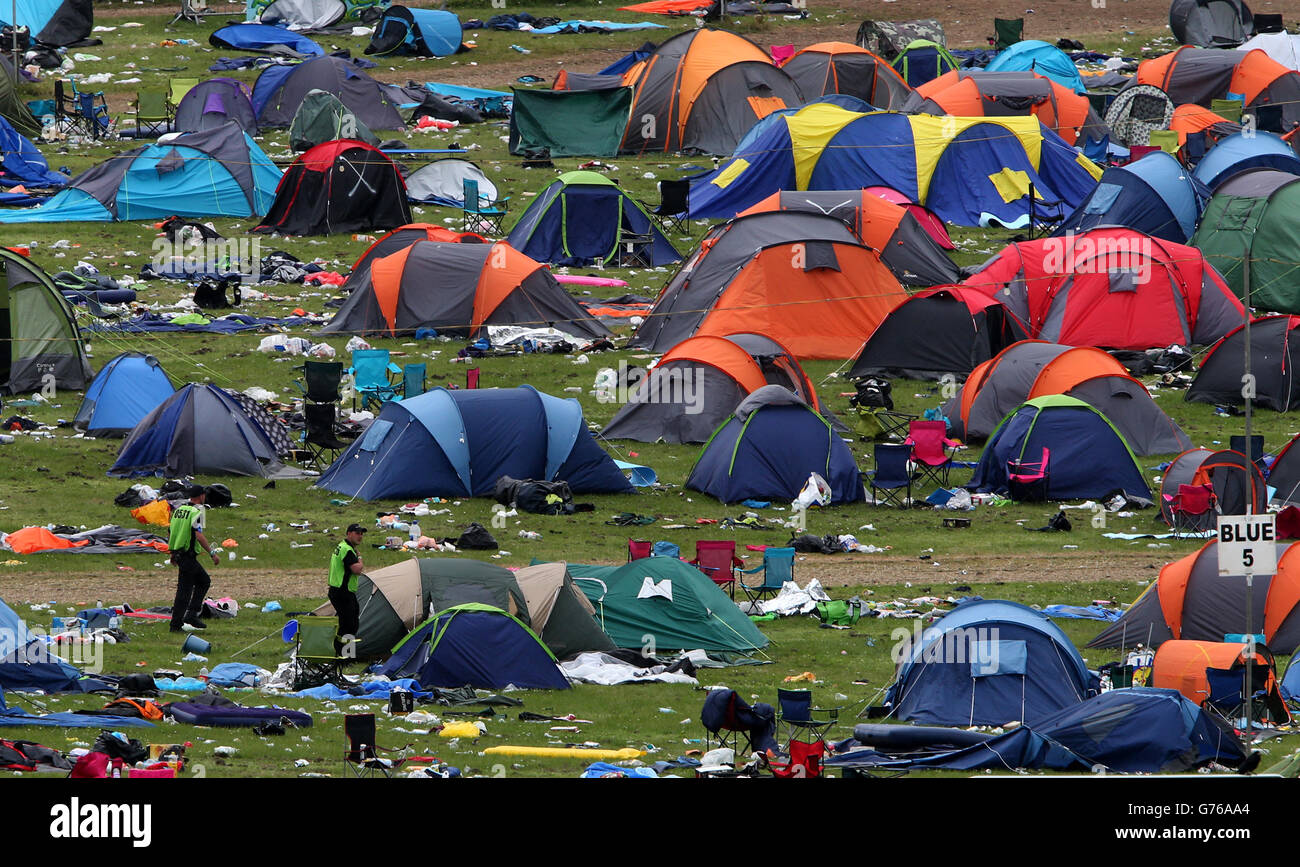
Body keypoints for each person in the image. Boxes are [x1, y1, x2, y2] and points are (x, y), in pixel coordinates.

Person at [168, 484, 218, 633]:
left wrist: (172, 552)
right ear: (201, 496)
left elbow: (171, 531)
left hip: (179, 554)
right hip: (188, 556)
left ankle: (187, 617)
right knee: (186, 591)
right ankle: (181, 621)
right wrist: (212, 553)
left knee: (201, 582)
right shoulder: (198, 510)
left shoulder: (179, 510)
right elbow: (198, 534)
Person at [329, 523, 366, 656]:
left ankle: (341, 653)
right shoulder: (348, 550)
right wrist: (360, 558)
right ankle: (344, 654)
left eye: (361, 533)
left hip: (338, 590)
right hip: (343, 592)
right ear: (349, 533)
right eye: (357, 533)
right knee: (349, 625)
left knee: (348, 622)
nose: (360, 536)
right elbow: (357, 569)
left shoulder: (341, 546)